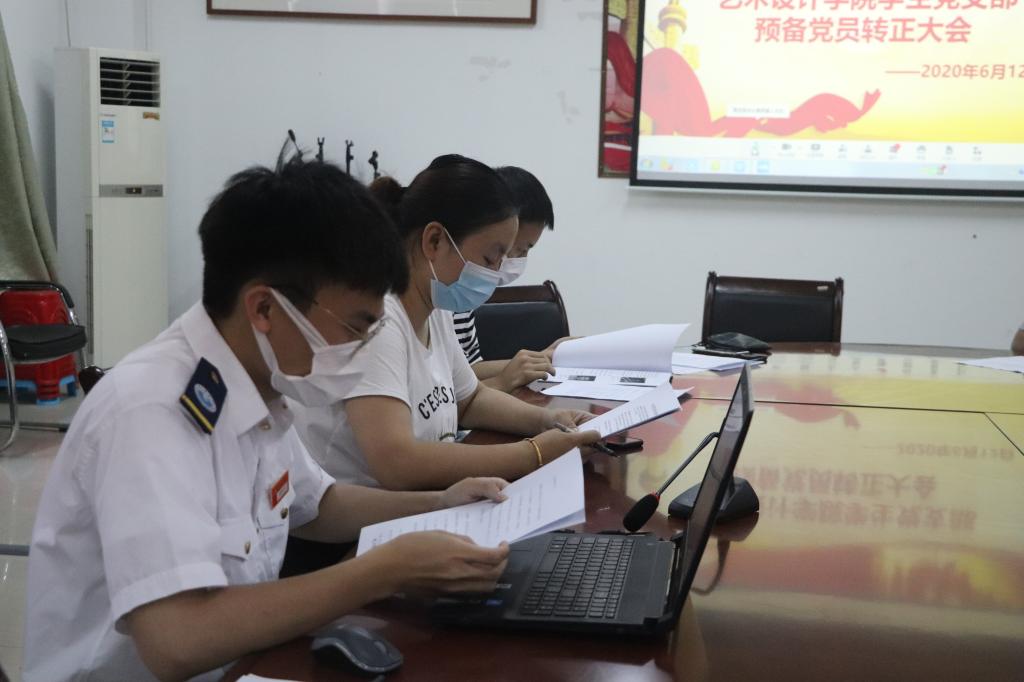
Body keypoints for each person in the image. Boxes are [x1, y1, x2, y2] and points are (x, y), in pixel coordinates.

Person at [23, 151, 512, 682]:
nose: (363, 348)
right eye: (355, 327)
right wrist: (382, 571)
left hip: (246, 662)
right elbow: (176, 640)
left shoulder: (261, 382)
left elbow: (317, 505)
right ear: (264, 308)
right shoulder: (151, 412)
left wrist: (438, 504)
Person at [291, 154, 600, 492]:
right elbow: (397, 462)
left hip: (422, 503)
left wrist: (548, 420)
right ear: (434, 241)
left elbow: (469, 399)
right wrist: (534, 454)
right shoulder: (379, 322)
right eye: (490, 257)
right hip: (370, 518)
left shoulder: (434, 308)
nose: (497, 273)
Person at [453, 165, 566, 393]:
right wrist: (504, 380)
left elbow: (466, 372)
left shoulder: (464, 297)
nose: (516, 259)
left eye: (526, 251)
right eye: (519, 249)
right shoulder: (444, 292)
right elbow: (452, 393)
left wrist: (540, 358)